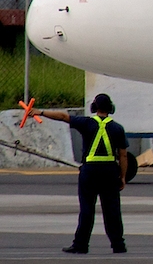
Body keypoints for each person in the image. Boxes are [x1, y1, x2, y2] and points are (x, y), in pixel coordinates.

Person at [32, 93, 128, 254]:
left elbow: (62, 116)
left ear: (94, 108)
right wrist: (123, 176)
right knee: (112, 210)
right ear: (111, 108)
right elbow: (123, 155)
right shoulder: (118, 128)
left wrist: (40, 112)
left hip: (90, 170)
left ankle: (81, 244)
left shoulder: (86, 123)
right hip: (109, 171)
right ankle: (118, 245)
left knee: (87, 209)